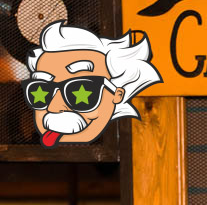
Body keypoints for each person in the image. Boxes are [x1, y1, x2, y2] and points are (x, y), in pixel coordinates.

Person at [24, 21, 161, 146]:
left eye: (79, 88)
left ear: (117, 94)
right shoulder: (31, 149)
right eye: (43, 90)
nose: (54, 107)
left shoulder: (133, 141)